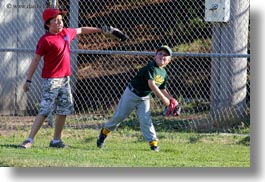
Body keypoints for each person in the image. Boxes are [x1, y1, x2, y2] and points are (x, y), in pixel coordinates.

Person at [20, 8, 115, 148]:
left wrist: (100, 30)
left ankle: (56, 140)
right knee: (45, 110)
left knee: (63, 109)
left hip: (65, 79)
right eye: (55, 20)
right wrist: (28, 80)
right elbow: (35, 60)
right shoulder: (45, 40)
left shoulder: (66, 33)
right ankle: (29, 139)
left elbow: (81, 30)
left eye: (61, 20)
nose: (60, 22)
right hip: (51, 80)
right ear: (48, 24)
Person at [96, 45, 178, 152]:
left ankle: (153, 144)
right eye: (160, 53)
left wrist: (171, 99)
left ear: (169, 60)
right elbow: (152, 85)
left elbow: (162, 88)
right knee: (119, 117)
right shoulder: (151, 67)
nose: (162, 56)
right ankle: (104, 133)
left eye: (166, 55)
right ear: (155, 56)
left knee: (145, 120)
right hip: (131, 93)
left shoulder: (164, 73)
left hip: (144, 98)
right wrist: (164, 100)